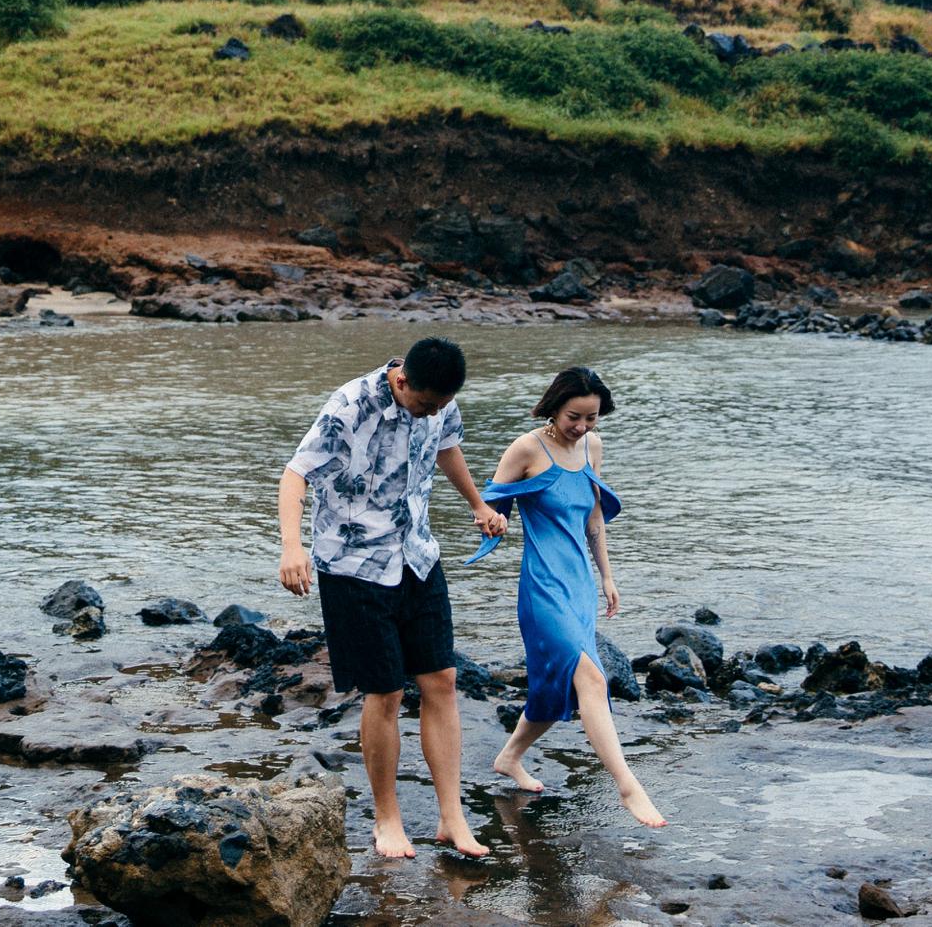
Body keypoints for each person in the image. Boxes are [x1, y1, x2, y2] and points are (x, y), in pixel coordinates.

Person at [278, 337, 507, 859]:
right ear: (402, 380)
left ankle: (452, 817)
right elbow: (295, 475)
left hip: (417, 556)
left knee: (442, 680)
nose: (434, 412)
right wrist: (293, 549)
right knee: (385, 692)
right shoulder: (350, 405)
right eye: (426, 404)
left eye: (441, 405)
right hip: (354, 566)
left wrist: (478, 503)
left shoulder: (440, 401)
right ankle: (388, 819)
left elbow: (447, 447)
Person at [470, 365, 665, 827]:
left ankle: (509, 757)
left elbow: (594, 520)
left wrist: (608, 578)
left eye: (591, 418)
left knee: (554, 685)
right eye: (574, 416)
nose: (581, 427)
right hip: (542, 585)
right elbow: (487, 510)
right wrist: (492, 521)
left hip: (577, 583)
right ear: (554, 407)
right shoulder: (525, 449)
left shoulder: (592, 447)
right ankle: (627, 786)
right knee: (591, 680)